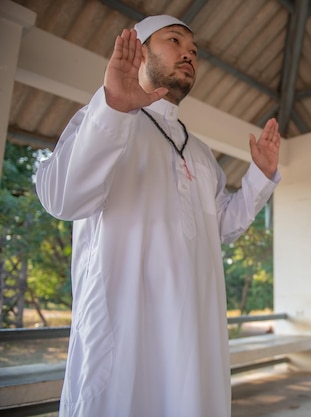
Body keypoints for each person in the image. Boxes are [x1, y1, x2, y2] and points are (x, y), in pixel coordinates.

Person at [36, 15, 281, 417]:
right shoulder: (101, 119)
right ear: (140, 50)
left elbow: (223, 226)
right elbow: (61, 199)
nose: (190, 53)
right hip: (124, 334)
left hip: (195, 339)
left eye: (196, 51)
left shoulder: (200, 152)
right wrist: (113, 106)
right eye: (175, 40)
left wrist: (261, 177)